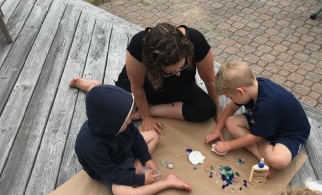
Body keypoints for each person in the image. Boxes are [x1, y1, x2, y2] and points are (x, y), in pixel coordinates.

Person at [70, 23, 220, 136]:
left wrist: (218, 109)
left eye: (181, 67)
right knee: (114, 113)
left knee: (208, 109)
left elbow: (210, 79)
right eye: (171, 71)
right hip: (145, 85)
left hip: (180, 86)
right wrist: (146, 118)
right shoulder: (137, 47)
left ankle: (147, 109)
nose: (178, 73)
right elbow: (137, 86)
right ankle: (93, 87)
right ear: (153, 62)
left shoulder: (196, 41)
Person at [75, 85, 192, 195]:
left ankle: (137, 165)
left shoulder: (117, 123)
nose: (130, 121)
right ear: (111, 125)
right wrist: (140, 180)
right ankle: (168, 182)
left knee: (153, 136)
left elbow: (136, 137)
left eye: (128, 118)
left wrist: (146, 158)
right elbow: (111, 174)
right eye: (126, 122)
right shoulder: (91, 148)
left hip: (123, 150)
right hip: (113, 168)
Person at [204, 61, 310, 177]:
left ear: (240, 91)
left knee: (278, 160)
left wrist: (229, 145)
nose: (230, 99)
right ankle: (261, 156)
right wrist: (218, 130)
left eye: (230, 96)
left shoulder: (267, 105)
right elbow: (231, 107)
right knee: (230, 122)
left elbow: (256, 136)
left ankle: (264, 146)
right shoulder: (252, 87)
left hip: (289, 133)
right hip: (264, 123)